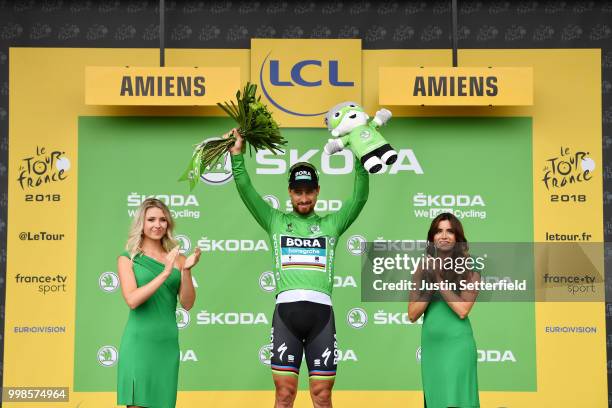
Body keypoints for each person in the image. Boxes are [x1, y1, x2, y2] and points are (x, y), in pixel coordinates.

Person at [227, 128, 369, 408]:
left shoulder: (332, 224)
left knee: (322, 395)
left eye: (309, 192)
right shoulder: (274, 220)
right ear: (290, 192)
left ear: (317, 192)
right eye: (298, 192)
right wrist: (237, 156)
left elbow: (359, 198)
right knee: (284, 395)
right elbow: (246, 191)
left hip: (322, 316)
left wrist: (362, 159)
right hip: (286, 316)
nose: (304, 198)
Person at [116, 198, 201, 408]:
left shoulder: (178, 259)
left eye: (163, 220)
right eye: (151, 219)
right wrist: (165, 273)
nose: (157, 225)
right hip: (139, 344)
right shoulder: (128, 259)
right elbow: (132, 300)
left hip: (167, 344)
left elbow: (187, 303)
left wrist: (187, 270)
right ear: (141, 224)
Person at [408, 212, 480, 408]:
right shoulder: (422, 268)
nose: (444, 236)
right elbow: (412, 314)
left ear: (457, 237)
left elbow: (463, 309)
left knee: (456, 403)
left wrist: (438, 280)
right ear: (432, 237)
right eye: (439, 231)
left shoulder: (470, 265)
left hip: (458, 345)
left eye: (450, 231)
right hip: (432, 348)